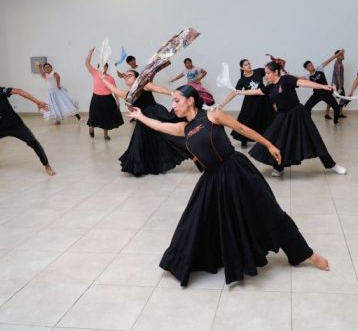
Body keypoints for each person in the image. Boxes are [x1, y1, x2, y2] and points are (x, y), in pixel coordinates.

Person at [126, 85, 329, 286]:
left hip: (236, 171)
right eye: (172, 101)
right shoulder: (184, 128)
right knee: (197, 220)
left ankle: (307, 254)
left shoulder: (212, 115)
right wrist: (140, 116)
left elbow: (241, 128)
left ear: (190, 100)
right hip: (212, 180)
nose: (173, 105)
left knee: (270, 212)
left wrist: (269, 144)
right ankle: (200, 258)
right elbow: (160, 126)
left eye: (176, 100)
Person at [239, 61, 347, 177]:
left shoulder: (286, 79)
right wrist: (239, 92)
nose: (266, 75)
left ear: (276, 72)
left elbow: (304, 83)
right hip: (282, 116)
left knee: (314, 139)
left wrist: (323, 86)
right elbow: (256, 92)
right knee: (276, 140)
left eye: (268, 73)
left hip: (298, 114)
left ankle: (332, 165)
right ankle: (278, 167)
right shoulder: (271, 87)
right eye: (265, 73)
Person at [98, 70, 190, 176]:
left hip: (156, 114)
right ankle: (145, 166)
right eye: (125, 76)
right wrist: (102, 78)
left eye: (130, 75)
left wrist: (173, 93)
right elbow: (113, 89)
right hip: (142, 119)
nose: (127, 77)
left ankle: (193, 150)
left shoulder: (144, 85)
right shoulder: (128, 94)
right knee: (143, 143)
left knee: (169, 137)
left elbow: (158, 88)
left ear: (137, 78)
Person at [0, 72, 55, 176]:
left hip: (15, 124)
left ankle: (47, 166)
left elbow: (18, 91)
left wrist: (37, 102)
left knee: (33, 142)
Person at [220, 59, 274, 148]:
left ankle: (267, 139)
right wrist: (222, 104)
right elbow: (234, 92)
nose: (248, 65)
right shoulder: (242, 80)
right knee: (246, 120)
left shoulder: (259, 71)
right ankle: (243, 139)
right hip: (250, 103)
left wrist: (270, 81)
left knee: (266, 119)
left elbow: (270, 74)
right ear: (242, 68)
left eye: (249, 63)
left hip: (263, 100)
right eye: (246, 65)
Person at [85, 47, 124, 140]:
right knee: (94, 115)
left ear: (107, 68)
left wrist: (118, 101)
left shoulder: (111, 78)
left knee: (107, 117)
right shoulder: (95, 73)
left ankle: (105, 135)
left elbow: (115, 90)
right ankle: (91, 127)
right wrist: (90, 52)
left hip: (108, 99)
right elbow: (87, 63)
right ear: (98, 67)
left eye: (105, 66)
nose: (104, 68)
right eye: (102, 66)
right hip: (96, 98)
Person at [301, 51, 342, 124]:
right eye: (309, 65)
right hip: (317, 95)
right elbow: (298, 78)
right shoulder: (308, 76)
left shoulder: (319, 69)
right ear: (307, 68)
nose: (312, 66)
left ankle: (335, 121)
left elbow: (329, 60)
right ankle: (308, 122)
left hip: (327, 94)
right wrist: (287, 75)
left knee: (336, 108)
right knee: (306, 108)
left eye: (311, 64)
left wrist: (337, 54)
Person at [325, 49, 348, 120]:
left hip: (338, 84)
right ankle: (327, 114)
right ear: (337, 56)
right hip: (336, 85)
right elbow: (338, 75)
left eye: (343, 54)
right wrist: (340, 86)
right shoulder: (337, 63)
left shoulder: (340, 62)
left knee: (343, 98)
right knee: (331, 98)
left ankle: (340, 113)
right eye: (341, 55)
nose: (343, 56)